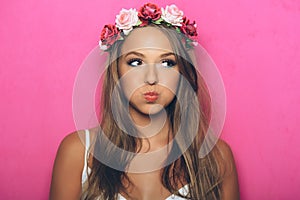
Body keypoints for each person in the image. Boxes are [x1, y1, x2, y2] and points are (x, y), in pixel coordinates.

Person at [50, 3, 239, 200]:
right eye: (136, 62)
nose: (151, 78)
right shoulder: (78, 152)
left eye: (167, 63)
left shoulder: (218, 158)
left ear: (182, 72)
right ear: (117, 71)